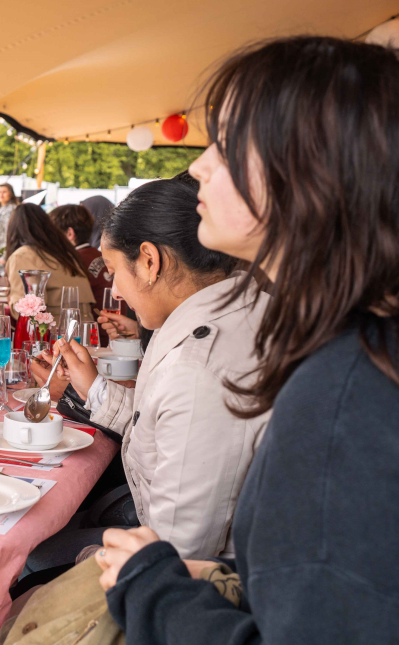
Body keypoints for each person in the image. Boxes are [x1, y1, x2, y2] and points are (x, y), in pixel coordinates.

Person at [96, 37, 399, 645]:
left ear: (310, 174)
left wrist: (150, 586)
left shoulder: (346, 402)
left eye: (226, 146)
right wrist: (237, 576)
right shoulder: (390, 348)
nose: (199, 165)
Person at [26, 172, 271, 574]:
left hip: (203, 578)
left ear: (150, 261)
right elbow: (165, 424)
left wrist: (77, 571)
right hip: (188, 539)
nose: (116, 291)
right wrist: (92, 389)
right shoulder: (221, 308)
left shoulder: (197, 369)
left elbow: (178, 550)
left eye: (113, 269)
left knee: (28, 555)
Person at [5, 203, 95, 321]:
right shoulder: (65, 253)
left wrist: (10, 299)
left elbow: (27, 313)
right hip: (86, 329)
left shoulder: (23, 255)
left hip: (57, 333)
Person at [49, 204, 113, 344]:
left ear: (70, 234)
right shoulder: (104, 257)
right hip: (115, 337)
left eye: (52, 235)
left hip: (90, 340)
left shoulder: (71, 264)